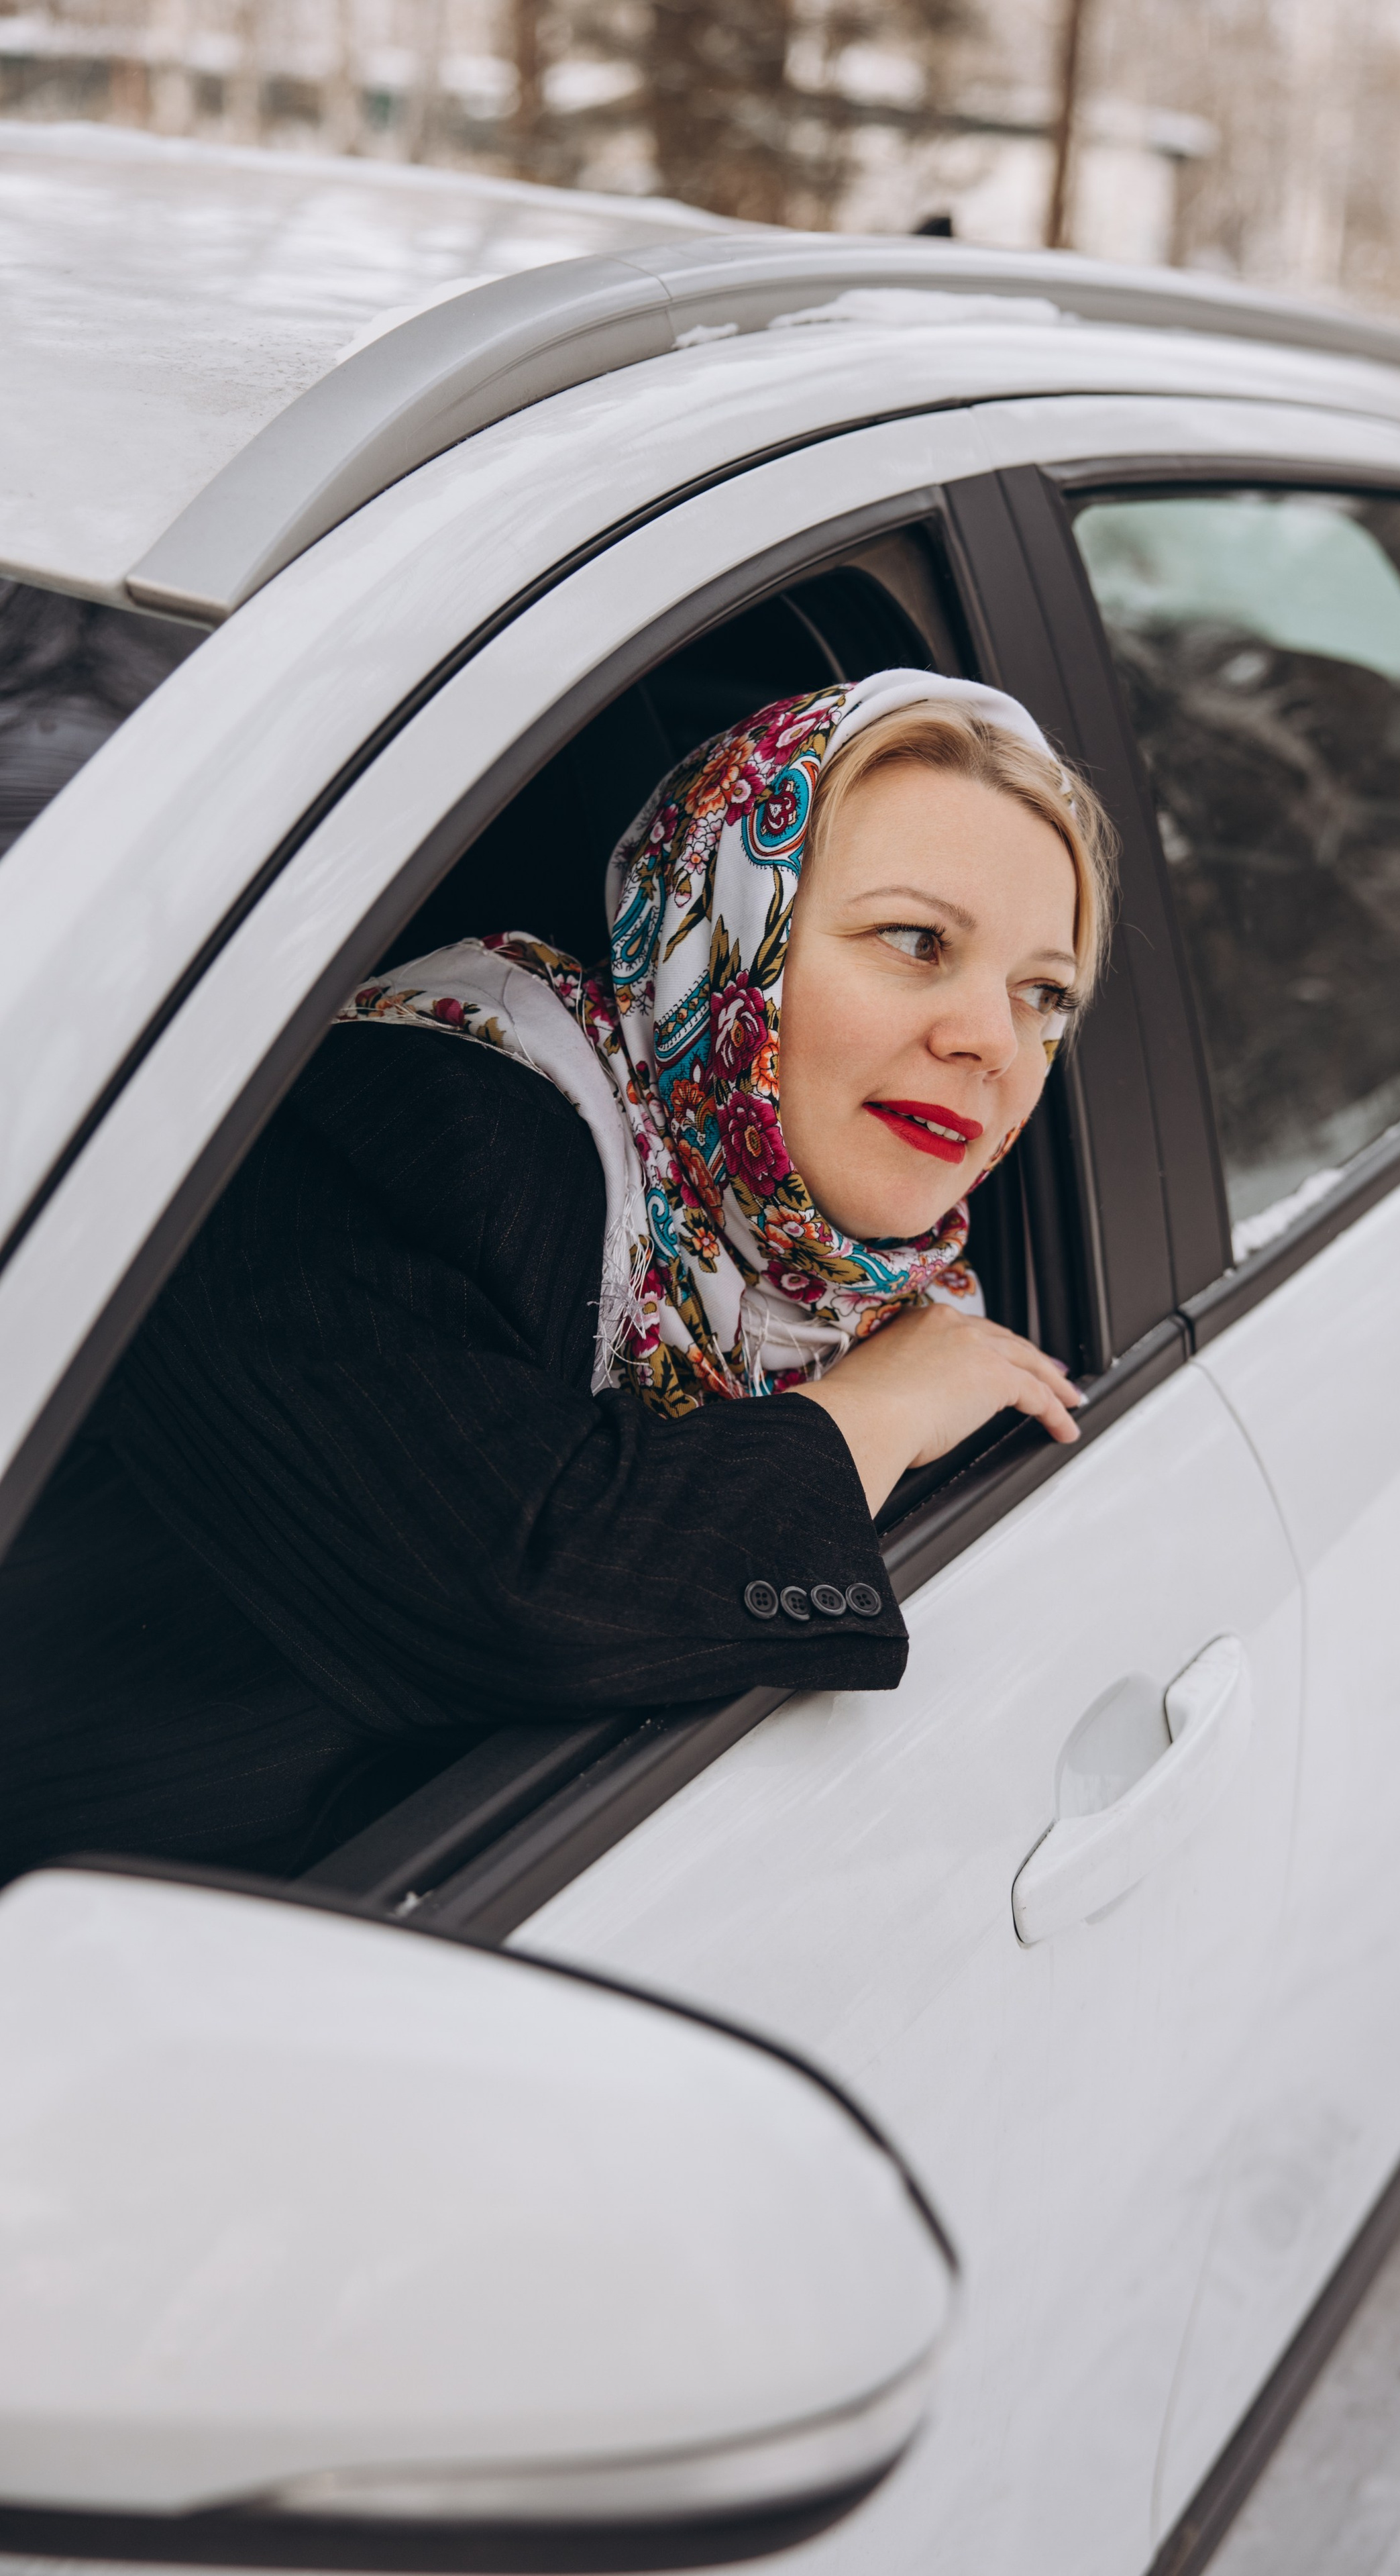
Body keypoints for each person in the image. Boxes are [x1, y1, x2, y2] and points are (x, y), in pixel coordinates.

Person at [0, 670, 1116, 1879]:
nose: (992, 1041)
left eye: (1043, 993)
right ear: (724, 937)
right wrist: (876, 1412)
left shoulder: (897, 1292)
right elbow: (505, 1586)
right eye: (914, 940)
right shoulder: (423, 1125)